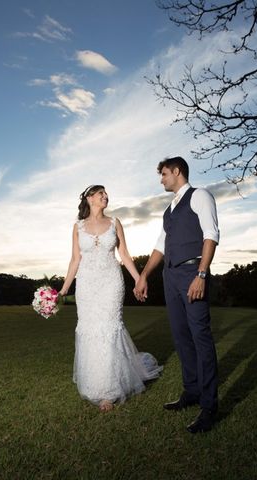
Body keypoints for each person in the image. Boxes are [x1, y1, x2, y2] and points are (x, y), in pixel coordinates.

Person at [134, 157, 219, 433]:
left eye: (164, 174)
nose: (161, 179)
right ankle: (191, 392)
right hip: (170, 277)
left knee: (200, 338)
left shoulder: (200, 196)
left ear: (177, 172)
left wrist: (202, 274)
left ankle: (209, 407)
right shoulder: (169, 209)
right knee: (182, 338)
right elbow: (160, 246)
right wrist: (145, 275)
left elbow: (211, 235)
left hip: (192, 273)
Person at [60, 185, 162, 412]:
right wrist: (64, 289)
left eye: (106, 194)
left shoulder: (115, 223)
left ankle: (109, 390)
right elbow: (75, 260)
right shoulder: (77, 227)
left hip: (111, 284)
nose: (105, 197)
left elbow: (124, 255)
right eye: (100, 194)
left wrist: (139, 279)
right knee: (90, 330)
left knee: (108, 329)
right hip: (86, 286)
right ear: (89, 198)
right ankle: (94, 382)